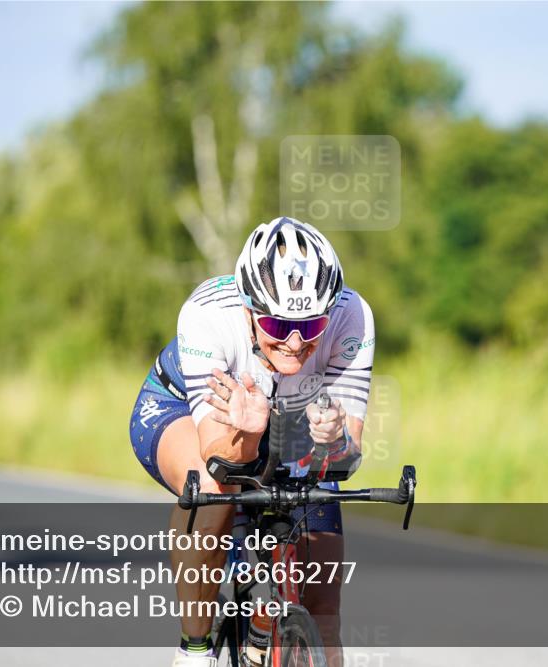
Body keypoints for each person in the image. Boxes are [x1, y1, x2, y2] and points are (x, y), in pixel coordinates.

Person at [130, 216, 375, 667]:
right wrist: (246, 431)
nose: (297, 342)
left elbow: (347, 457)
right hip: (182, 411)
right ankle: (195, 650)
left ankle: (269, 626)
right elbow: (219, 456)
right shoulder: (208, 315)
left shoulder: (352, 315)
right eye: (279, 327)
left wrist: (336, 438)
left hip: (289, 419)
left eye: (312, 325)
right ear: (248, 309)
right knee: (213, 488)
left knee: (324, 611)